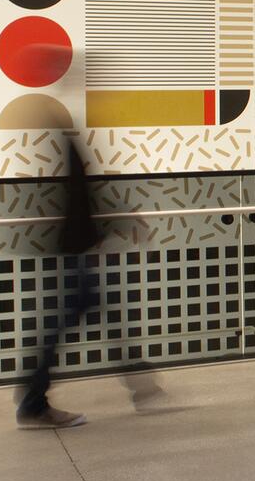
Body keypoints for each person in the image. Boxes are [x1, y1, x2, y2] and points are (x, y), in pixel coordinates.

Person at [16, 77, 165, 428]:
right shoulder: (65, 143)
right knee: (67, 325)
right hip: (74, 254)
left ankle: (141, 386)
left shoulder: (64, 142)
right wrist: (119, 223)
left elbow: (84, 195)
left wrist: (119, 222)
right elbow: (81, 198)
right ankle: (34, 402)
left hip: (76, 252)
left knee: (96, 317)